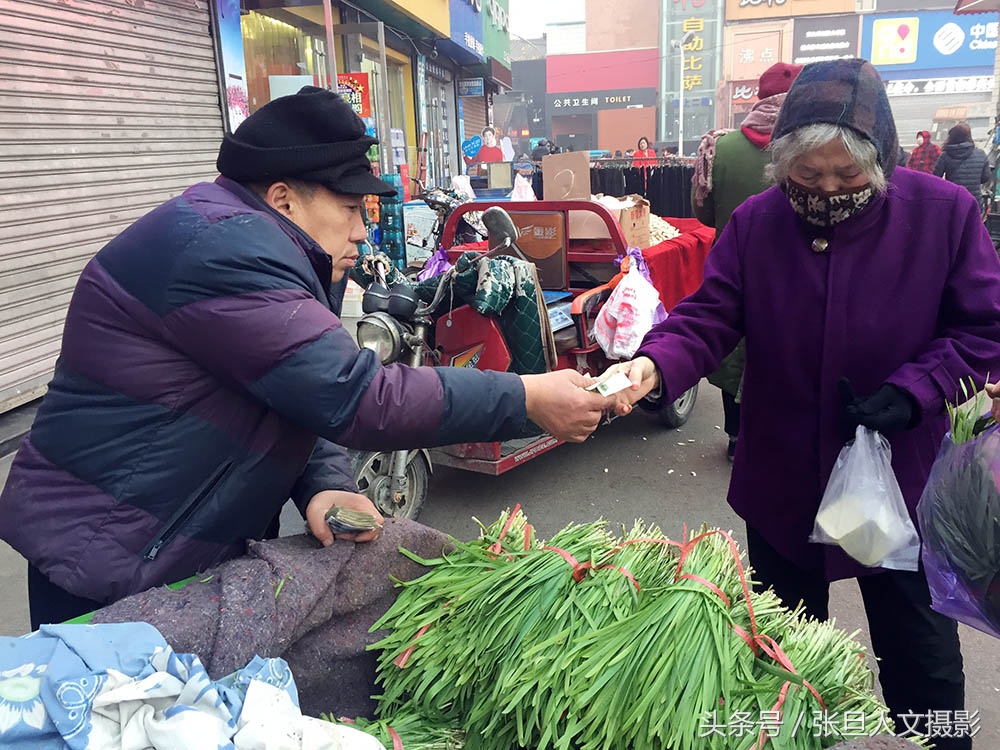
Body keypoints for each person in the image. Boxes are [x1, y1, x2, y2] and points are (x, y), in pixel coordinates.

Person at [0, 87, 611, 629]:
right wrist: (526, 396)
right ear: (284, 198)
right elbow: (355, 396)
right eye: (349, 209)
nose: (362, 231)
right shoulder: (227, 254)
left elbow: (293, 388)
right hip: (109, 563)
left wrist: (324, 486)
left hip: (171, 547)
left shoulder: (267, 245)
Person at [602, 59, 1000, 750]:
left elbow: (983, 328)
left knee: (924, 668)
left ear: (885, 161)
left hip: (899, 488)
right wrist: (652, 365)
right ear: (781, 162)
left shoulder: (944, 216)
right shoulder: (758, 224)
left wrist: (914, 391)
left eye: (848, 177)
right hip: (783, 482)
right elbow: (711, 315)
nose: (827, 191)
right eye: (807, 176)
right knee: (784, 664)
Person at [691, 61, 802, 460]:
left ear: (758, 96)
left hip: (731, 262)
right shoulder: (810, 144)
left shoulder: (719, 147)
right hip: (797, 267)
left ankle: (737, 436)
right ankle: (776, 435)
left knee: (731, 343)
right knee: (784, 347)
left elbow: (703, 215)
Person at [934, 122, 990, 200]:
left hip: (954, 199)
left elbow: (935, 178)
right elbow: (985, 178)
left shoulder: (945, 155)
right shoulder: (981, 154)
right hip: (974, 200)